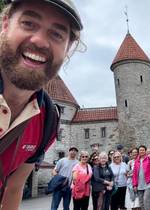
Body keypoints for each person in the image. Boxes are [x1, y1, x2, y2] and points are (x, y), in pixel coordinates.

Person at [0, 0, 82, 208]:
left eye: (56, 34)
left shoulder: (47, 121)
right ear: (5, 25)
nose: (40, 41)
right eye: (28, 23)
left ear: (67, 49)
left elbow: (14, 187)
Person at [133, 145, 150, 210]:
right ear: (138, 152)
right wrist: (134, 185)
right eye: (140, 150)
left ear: (145, 151)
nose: (142, 151)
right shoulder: (136, 161)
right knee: (141, 202)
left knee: (146, 200)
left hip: (148, 183)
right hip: (139, 185)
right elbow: (134, 174)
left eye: (143, 150)